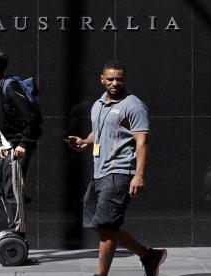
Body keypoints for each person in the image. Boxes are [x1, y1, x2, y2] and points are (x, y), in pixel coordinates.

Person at [67, 60, 167, 276]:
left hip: (120, 173)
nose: (114, 83)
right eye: (110, 79)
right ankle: (149, 256)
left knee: (108, 228)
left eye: (119, 79)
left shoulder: (133, 105)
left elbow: (142, 142)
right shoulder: (97, 105)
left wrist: (139, 175)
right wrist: (85, 141)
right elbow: (100, 134)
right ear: (102, 80)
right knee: (99, 224)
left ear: (125, 80)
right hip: (99, 174)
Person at [0, 46, 42, 242]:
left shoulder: (9, 86)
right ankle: (13, 226)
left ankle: (17, 232)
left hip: (17, 147)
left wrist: (24, 143)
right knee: (2, 185)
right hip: (4, 147)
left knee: (13, 188)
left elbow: (33, 118)